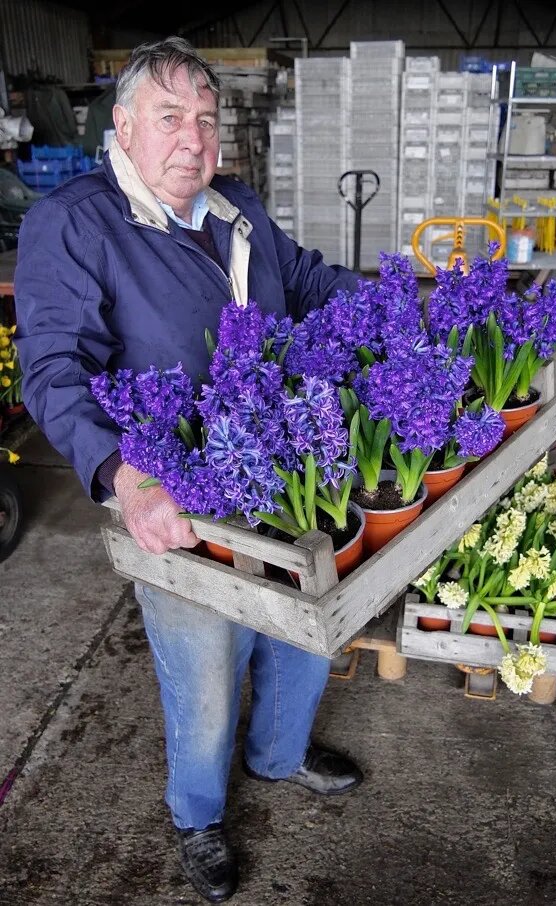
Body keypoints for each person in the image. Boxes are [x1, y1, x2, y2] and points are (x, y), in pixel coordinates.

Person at [14, 36, 364, 904]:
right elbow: (53, 368)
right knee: (206, 668)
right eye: (170, 117)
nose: (193, 139)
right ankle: (199, 816)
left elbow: (309, 281)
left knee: (302, 632)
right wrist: (124, 476)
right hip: (180, 495)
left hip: (285, 477)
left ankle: (279, 758)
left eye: (206, 120)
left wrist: (397, 310)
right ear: (123, 129)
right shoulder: (75, 224)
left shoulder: (236, 209)